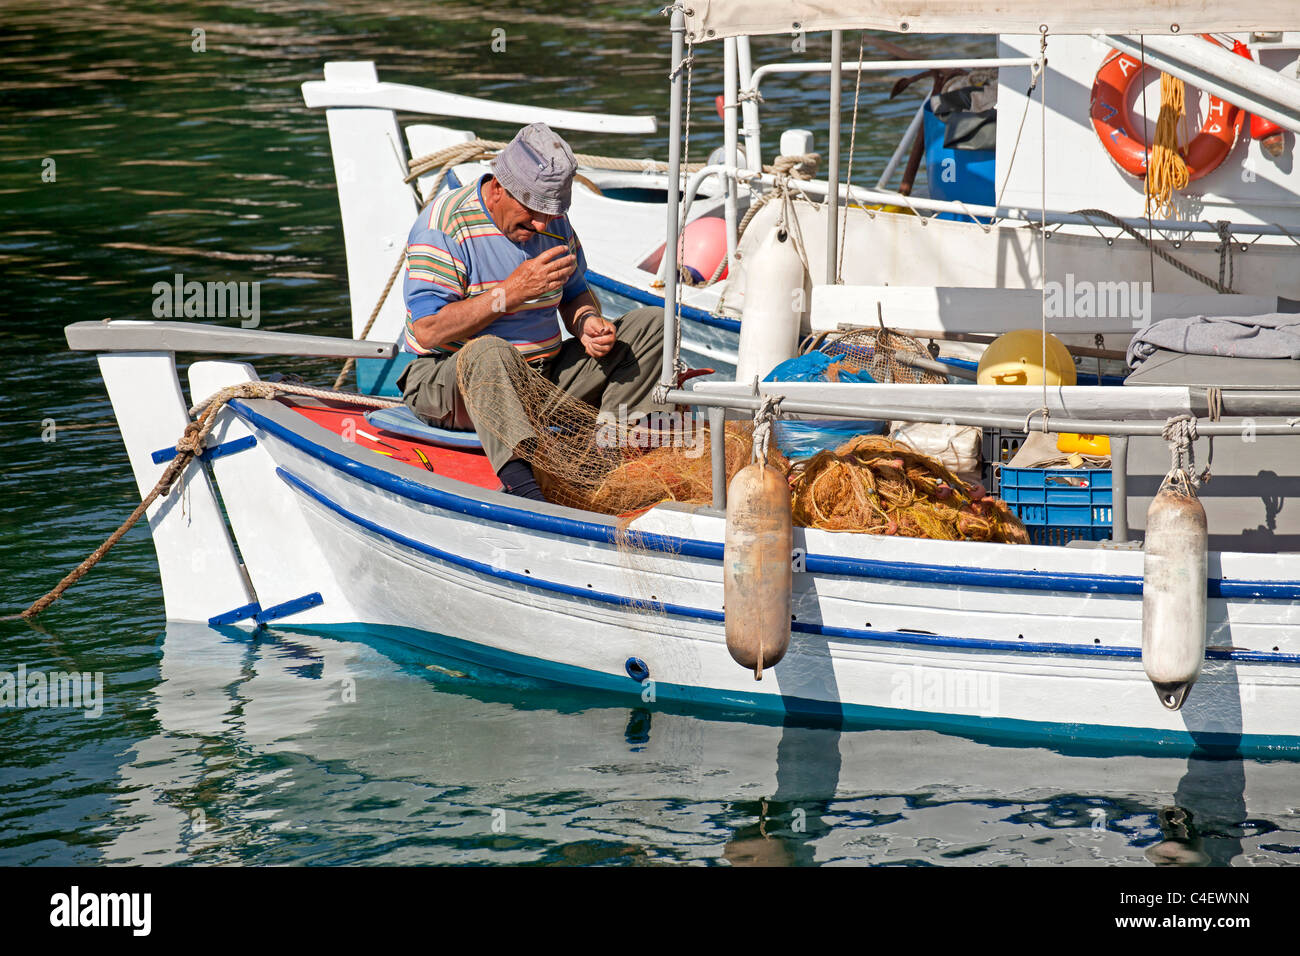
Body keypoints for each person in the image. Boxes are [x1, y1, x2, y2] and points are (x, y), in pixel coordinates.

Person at [396, 122, 670, 500]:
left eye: (550, 211)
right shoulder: (443, 226)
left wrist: (588, 323)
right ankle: (525, 490)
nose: (542, 223)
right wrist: (509, 293)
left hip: (541, 379)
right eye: (532, 211)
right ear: (497, 189)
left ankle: (603, 459)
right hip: (451, 382)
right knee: (489, 351)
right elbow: (428, 330)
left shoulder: (554, 222)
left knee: (654, 325)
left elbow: (576, 293)